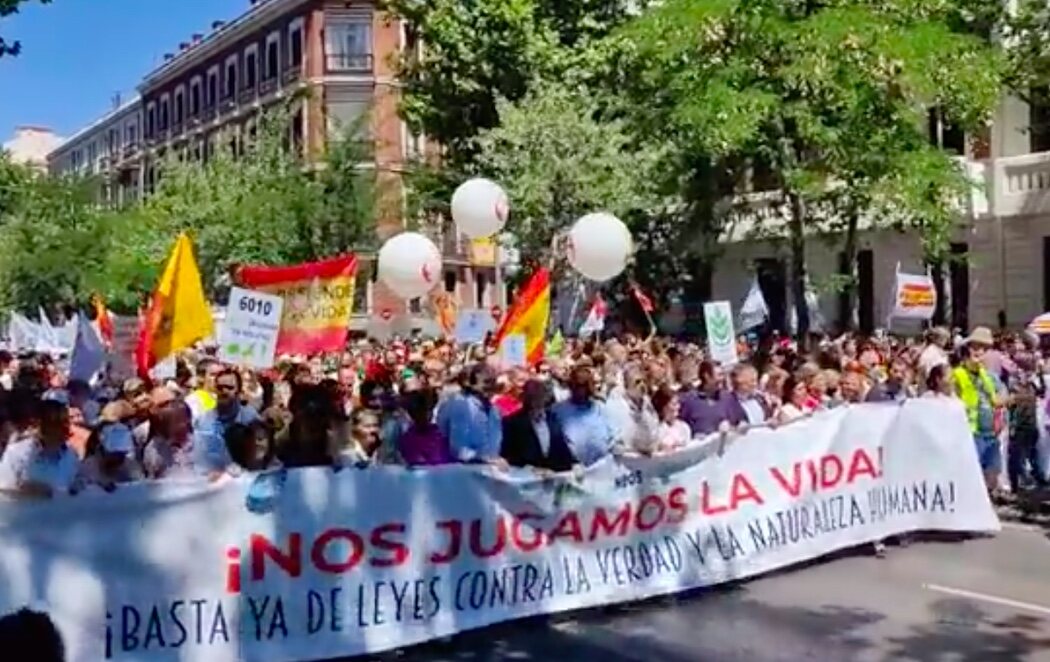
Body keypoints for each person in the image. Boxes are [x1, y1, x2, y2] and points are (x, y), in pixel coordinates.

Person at [952, 328, 1003, 495]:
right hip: (969, 433)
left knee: (992, 476)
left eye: (984, 348)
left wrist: (1016, 398)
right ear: (968, 349)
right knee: (971, 477)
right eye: (975, 347)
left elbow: (1000, 397)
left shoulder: (990, 376)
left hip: (990, 433)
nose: (978, 351)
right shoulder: (956, 374)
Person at [0, 399, 79, 498]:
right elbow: (3, 493)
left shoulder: (71, 456)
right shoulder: (17, 452)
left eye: (66, 422)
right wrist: (25, 492)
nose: (65, 428)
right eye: (55, 423)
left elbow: (74, 493)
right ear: (40, 424)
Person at [437, 364, 506, 468]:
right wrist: (483, 458)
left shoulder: (494, 410)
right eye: (486, 383)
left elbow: (495, 446)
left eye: (492, 383)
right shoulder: (458, 405)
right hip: (460, 473)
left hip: (489, 474)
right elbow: (458, 449)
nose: (490, 389)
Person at [502, 379, 574, 472]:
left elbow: (562, 448)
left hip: (553, 477)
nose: (536, 401)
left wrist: (573, 464)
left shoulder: (553, 419)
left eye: (539, 396)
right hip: (526, 479)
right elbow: (508, 455)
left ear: (545, 397)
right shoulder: (512, 422)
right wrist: (530, 469)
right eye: (531, 397)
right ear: (524, 398)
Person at [551, 366, 615, 467]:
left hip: (603, 469)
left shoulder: (600, 408)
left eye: (585, 385)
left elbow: (614, 437)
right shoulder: (557, 411)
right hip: (572, 471)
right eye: (578, 385)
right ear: (571, 386)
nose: (581, 389)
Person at [72, 421, 143, 493]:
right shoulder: (88, 467)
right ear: (101, 451)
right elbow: (76, 488)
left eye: (121, 454)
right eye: (113, 454)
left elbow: (140, 489)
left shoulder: (132, 468)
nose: (117, 459)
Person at [605, 364, 659, 454]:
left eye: (644, 381)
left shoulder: (647, 402)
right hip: (629, 458)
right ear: (627, 386)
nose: (642, 385)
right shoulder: (616, 406)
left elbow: (655, 427)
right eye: (637, 382)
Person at [398, 388, 453, 467]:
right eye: (422, 412)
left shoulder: (439, 433)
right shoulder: (408, 438)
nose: (427, 415)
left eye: (428, 411)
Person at [142, 400, 196, 479]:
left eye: (187, 418)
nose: (185, 423)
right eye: (178, 420)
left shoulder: (198, 441)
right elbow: (155, 483)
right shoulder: (156, 450)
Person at [651, 385, 690, 452]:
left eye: (678, 403)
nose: (678, 407)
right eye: (674, 404)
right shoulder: (655, 429)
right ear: (664, 407)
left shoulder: (684, 427)